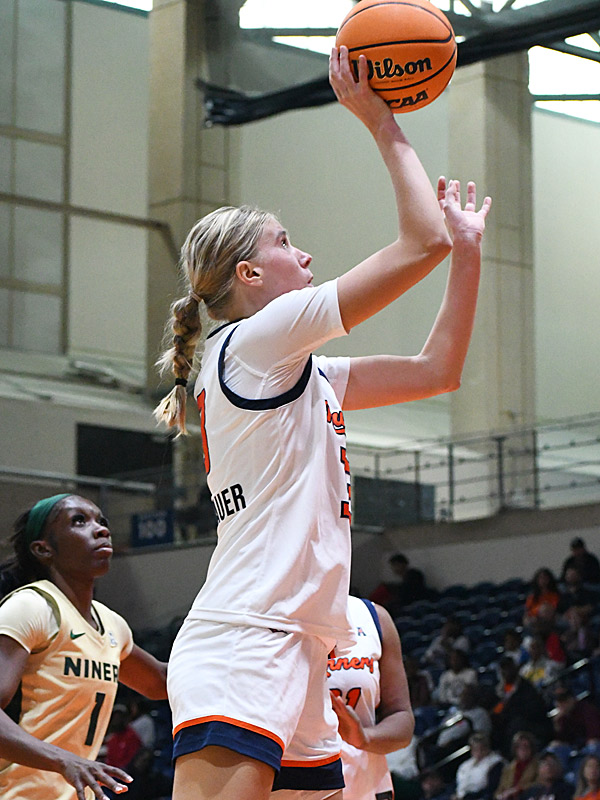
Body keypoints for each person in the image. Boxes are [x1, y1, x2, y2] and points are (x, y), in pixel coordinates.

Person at [153, 44, 490, 800]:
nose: (303, 254)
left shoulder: (290, 367)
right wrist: (383, 123)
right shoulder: (254, 340)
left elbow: (438, 371)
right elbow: (418, 243)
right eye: (283, 243)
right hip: (249, 639)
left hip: (299, 644)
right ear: (247, 276)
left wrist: (466, 254)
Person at [0, 493, 168, 800]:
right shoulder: (31, 607)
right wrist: (63, 759)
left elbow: (161, 683)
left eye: (102, 522)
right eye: (79, 521)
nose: (101, 529)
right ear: (43, 549)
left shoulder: (112, 623)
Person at [327, 595, 414, 800]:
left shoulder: (373, 616)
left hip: (364, 784)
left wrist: (365, 737)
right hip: (293, 779)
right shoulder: (270, 613)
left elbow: (402, 717)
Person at [491, 657, 552, 758]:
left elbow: (534, 711)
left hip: (530, 725)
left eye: (508, 669)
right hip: (506, 727)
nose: (505, 673)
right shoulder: (501, 690)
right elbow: (498, 709)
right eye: (503, 670)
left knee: (515, 725)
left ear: (515, 669)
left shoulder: (527, 688)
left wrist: (509, 708)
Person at [453, 732, 504, 800]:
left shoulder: (495, 763)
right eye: (475, 749)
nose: (479, 752)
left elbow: (491, 789)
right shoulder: (465, 766)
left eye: (482, 749)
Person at [495, 731, 539, 800]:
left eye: (526, 746)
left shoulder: (538, 765)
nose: (523, 749)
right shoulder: (508, 768)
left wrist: (517, 789)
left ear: (531, 748)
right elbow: (500, 788)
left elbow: (539, 784)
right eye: (519, 746)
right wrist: (500, 796)